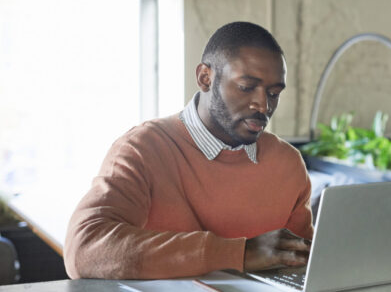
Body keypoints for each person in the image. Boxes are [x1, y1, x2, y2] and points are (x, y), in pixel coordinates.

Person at [64, 22, 313, 279]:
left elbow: (306, 265)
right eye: (247, 87)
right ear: (205, 77)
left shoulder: (288, 163)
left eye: (273, 93)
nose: (263, 105)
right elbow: (83, 250)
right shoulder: (142, 149)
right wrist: (239, 253)